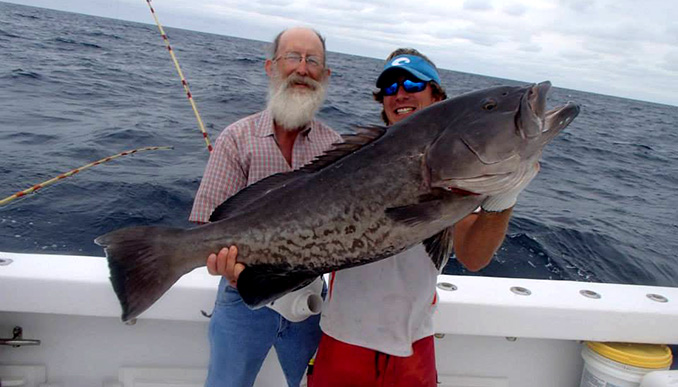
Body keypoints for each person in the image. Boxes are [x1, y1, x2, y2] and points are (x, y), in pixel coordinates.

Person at [307, 49, 540, 386]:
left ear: (438, 97)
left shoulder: (452, 168)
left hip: (414, 347)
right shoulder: (351, 162)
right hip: (343, 341)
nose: (400, 93)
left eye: (414, 82)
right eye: (389, 88)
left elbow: (473, 257)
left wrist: (503, 198)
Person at [189, 27, 341, 387]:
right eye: (292, 57)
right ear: (271, 67)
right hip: (241, 298)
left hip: (309, 301)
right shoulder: (236, 138)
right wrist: (229, 266)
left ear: (326, 75)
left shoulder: (337, 148)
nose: (301, 69)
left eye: (313, 60)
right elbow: (203, 229)